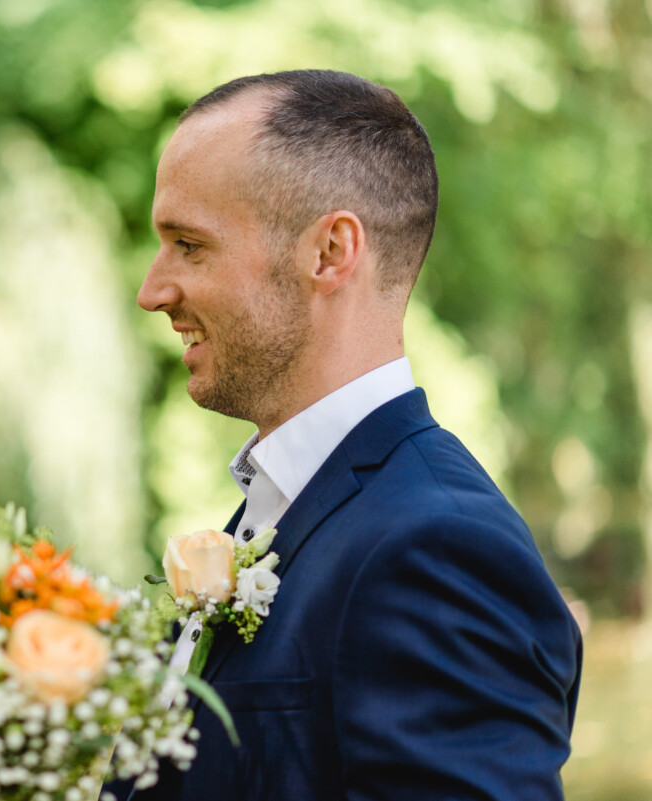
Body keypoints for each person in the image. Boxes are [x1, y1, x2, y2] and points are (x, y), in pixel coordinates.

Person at [115, 70, 582, 800]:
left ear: (331, 251)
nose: (153, 290)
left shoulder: (439, 549)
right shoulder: (280, 510)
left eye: (189, 244)